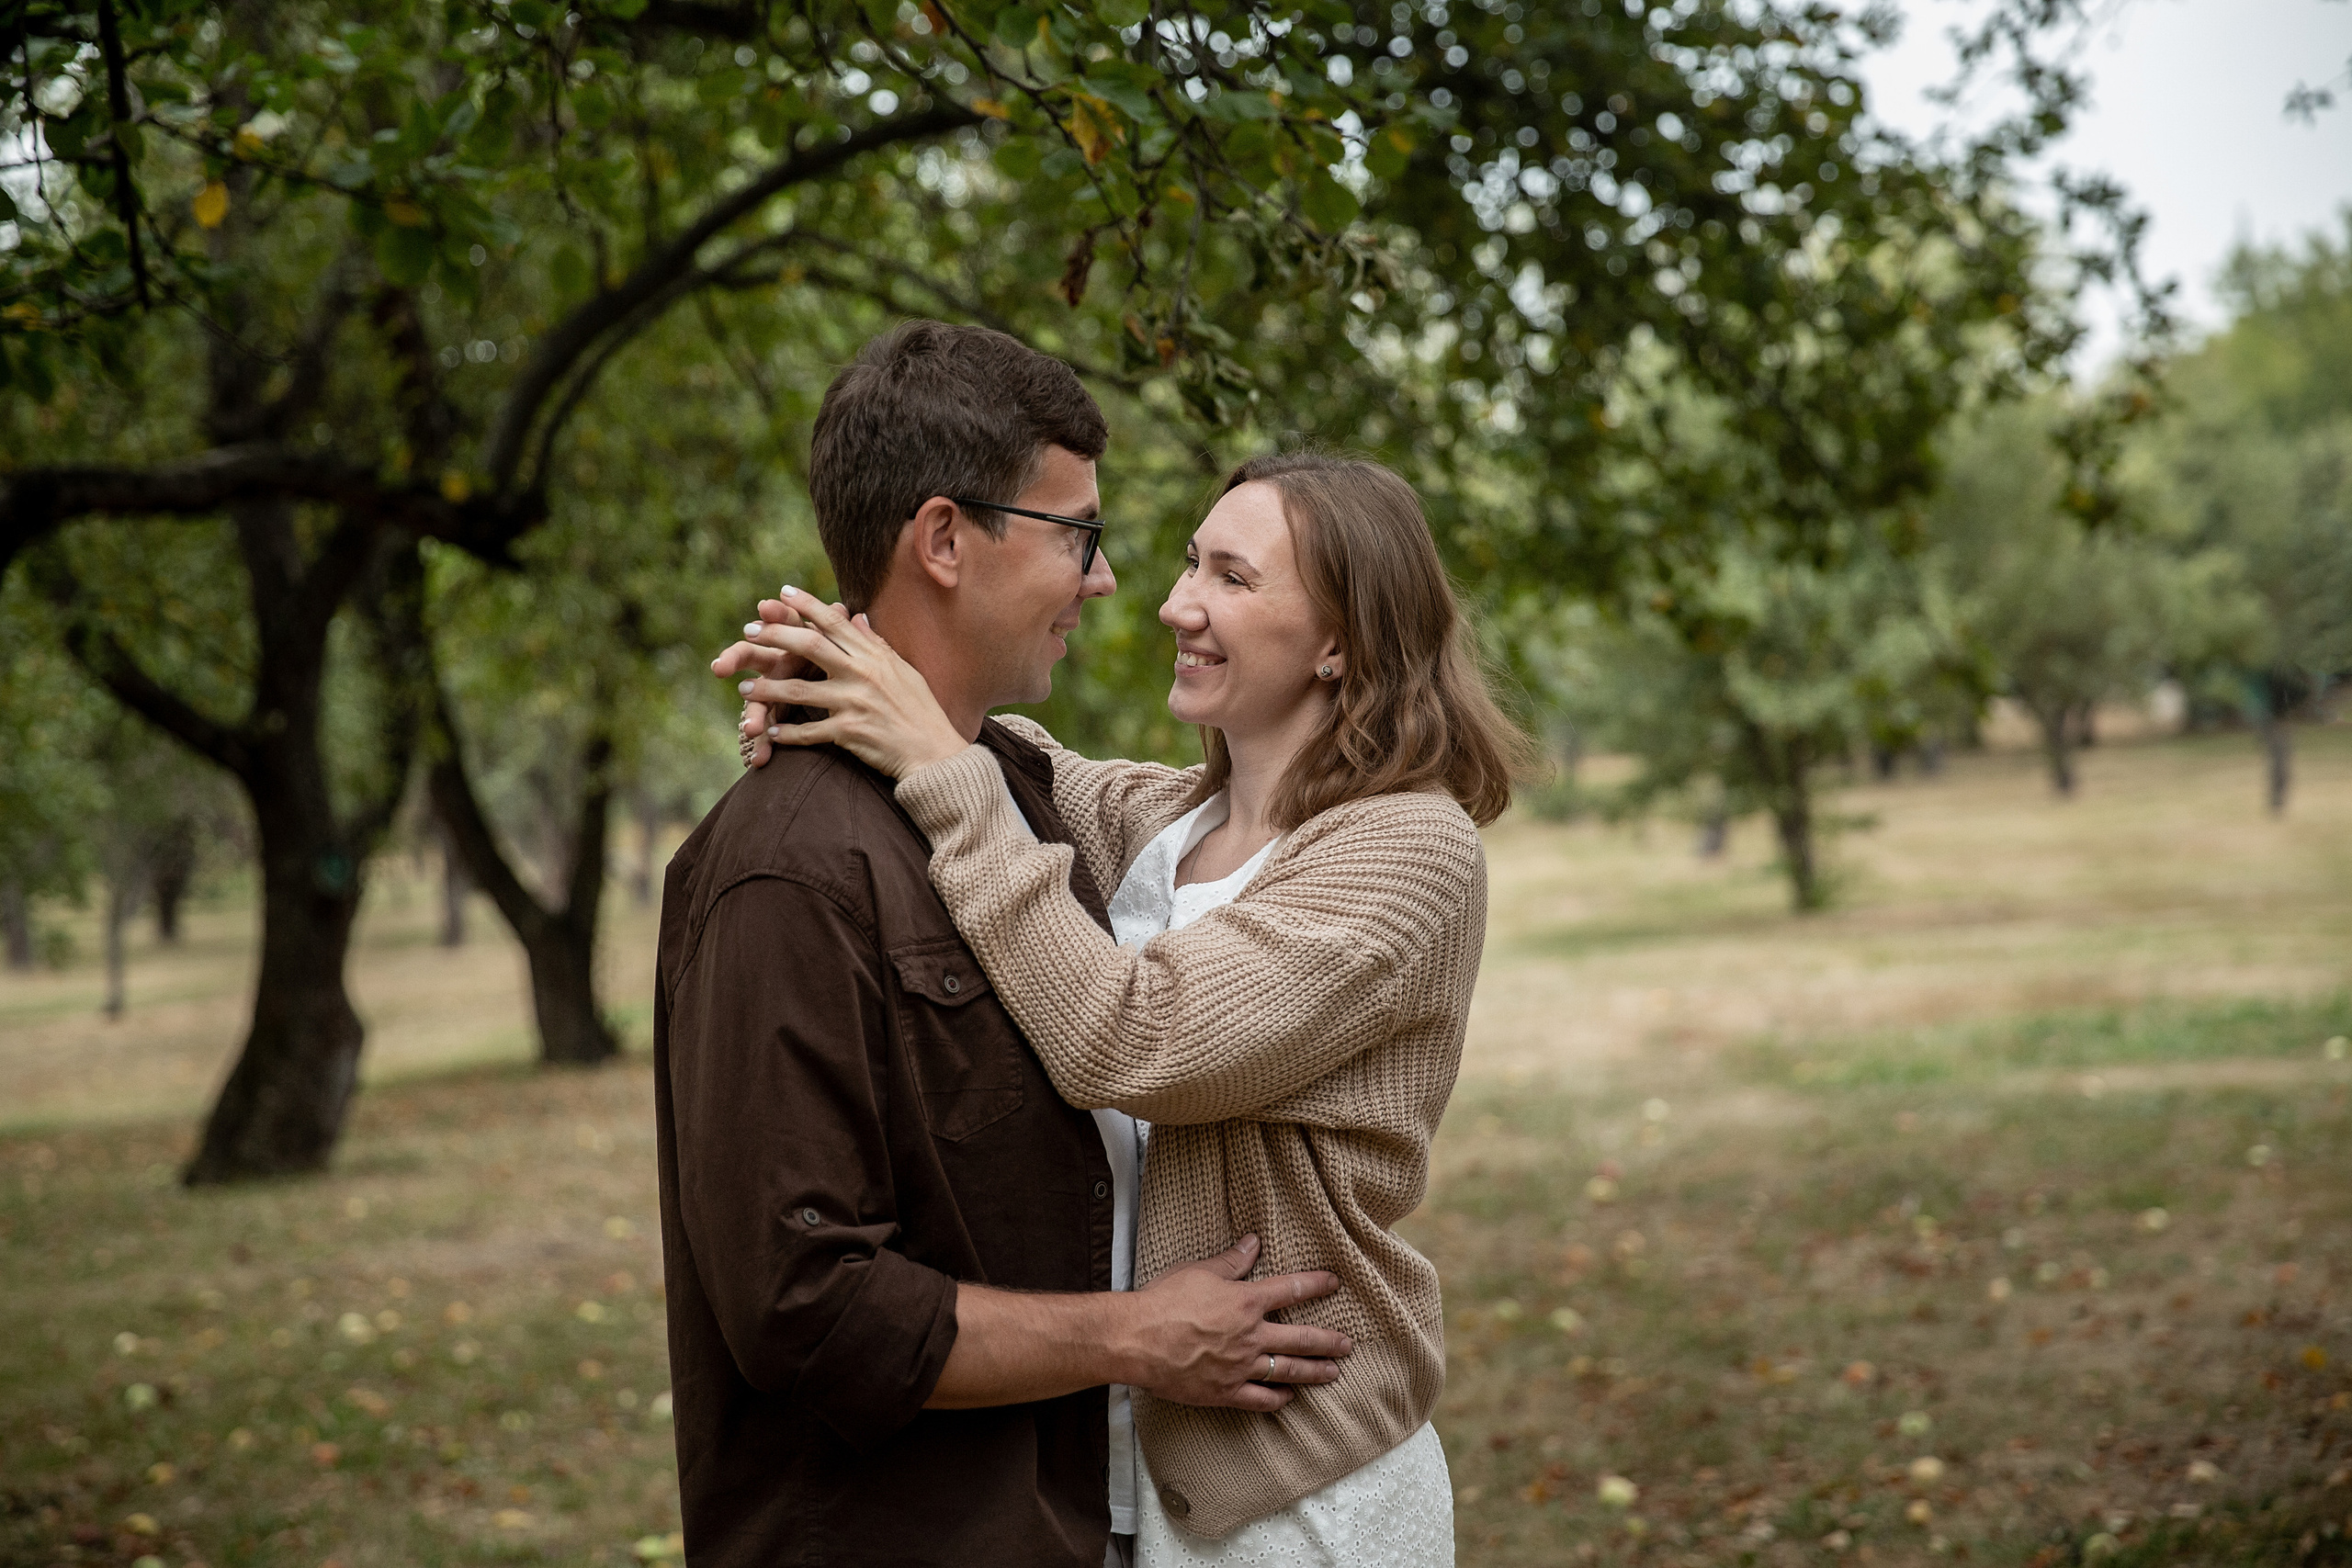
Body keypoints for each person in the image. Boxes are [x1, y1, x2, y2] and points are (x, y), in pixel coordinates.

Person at [727, 451, 1528, 1564]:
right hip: (1119, 1480)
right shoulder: (1163, 824)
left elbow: (1140, 1040)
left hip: (1291, 1491)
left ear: (1342, 639)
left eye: (1232, 579)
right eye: (1191, 563)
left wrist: (932, 760)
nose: (1174, 603)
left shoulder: (1407, 848)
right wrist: (831, 667)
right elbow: (1016, 758)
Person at [666, 321, 1358, 1568]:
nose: (1108, 582)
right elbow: (803, 1304)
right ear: (943, 539)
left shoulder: (1010, 800)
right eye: (1077, 534)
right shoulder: (789, 863)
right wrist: (1132, 1336)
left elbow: (1188, 859)